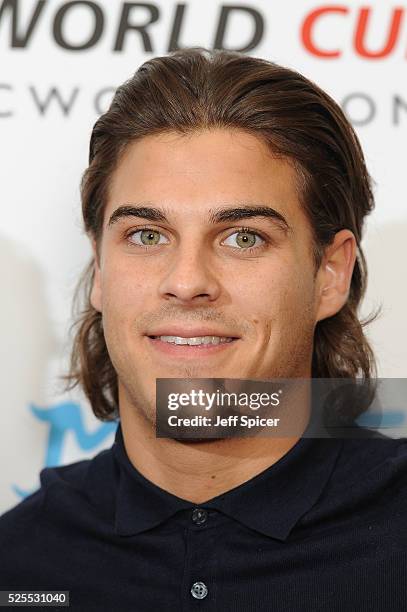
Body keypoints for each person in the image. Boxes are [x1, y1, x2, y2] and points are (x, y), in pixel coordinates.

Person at [0, 47, 405, 611]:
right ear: (99, 269)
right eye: (146, 235)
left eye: (244, 237)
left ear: (329, 274)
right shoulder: (19, 564)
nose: (187, 281)